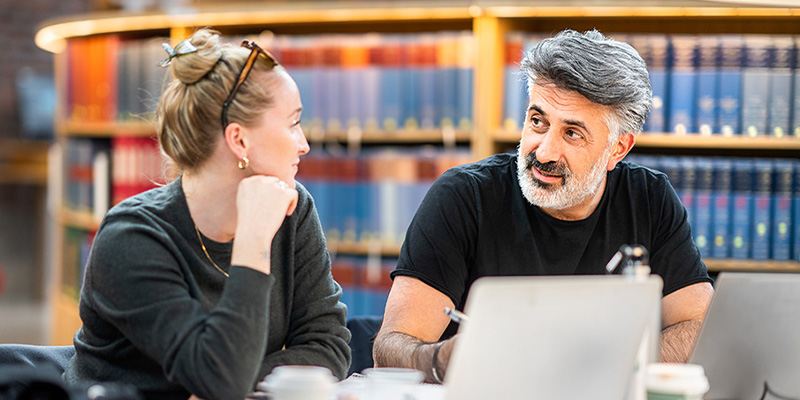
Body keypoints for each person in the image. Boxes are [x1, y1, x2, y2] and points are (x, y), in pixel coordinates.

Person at [373, 29, 714, 382]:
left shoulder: (649, 197)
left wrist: (599, 373)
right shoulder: (462, 196)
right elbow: (390, 349)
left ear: (618, 149)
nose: (544, 151)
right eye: (538, 121)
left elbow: (700, 327)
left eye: (572, 133)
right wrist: (442, 358)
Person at [63, 29, 351, 400]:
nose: (304, 144)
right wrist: (253, 237)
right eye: (293, 123)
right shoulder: (131, 238)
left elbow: (329, 346)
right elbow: (221, 379)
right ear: (239, 140)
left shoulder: (293, 209)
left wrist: (225, 383)